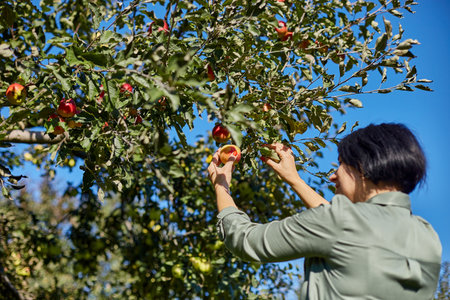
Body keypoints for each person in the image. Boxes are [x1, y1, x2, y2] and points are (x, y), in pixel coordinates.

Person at [207, 123, 442, 299]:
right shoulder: (427, 236)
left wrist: (221, 185)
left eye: (340, 164)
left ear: (363, 167)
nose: (333, 175)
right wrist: (295, 180)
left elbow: (245, 239)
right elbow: (353, 232)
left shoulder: (339, 222)